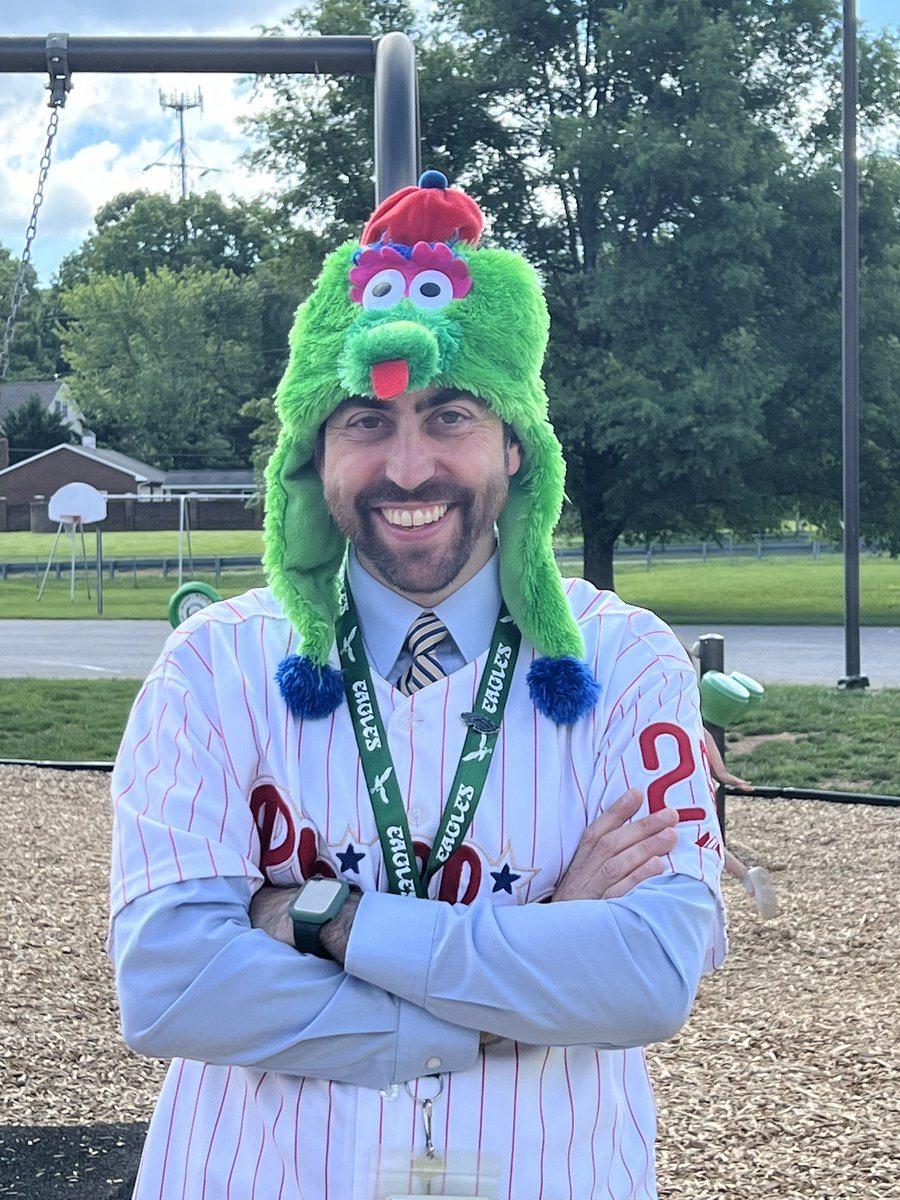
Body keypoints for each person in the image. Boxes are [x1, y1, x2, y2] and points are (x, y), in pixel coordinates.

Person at [109, 172, 727, 1200]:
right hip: (257, 1177)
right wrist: (516, 982)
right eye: (364, 421)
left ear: (516, 445)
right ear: (315, 452)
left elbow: (650, 977)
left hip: (551, 1175)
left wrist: (323, 918)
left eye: (448, 415)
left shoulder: (629, 661)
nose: (407, 469)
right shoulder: (212, 665)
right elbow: (172, 986)